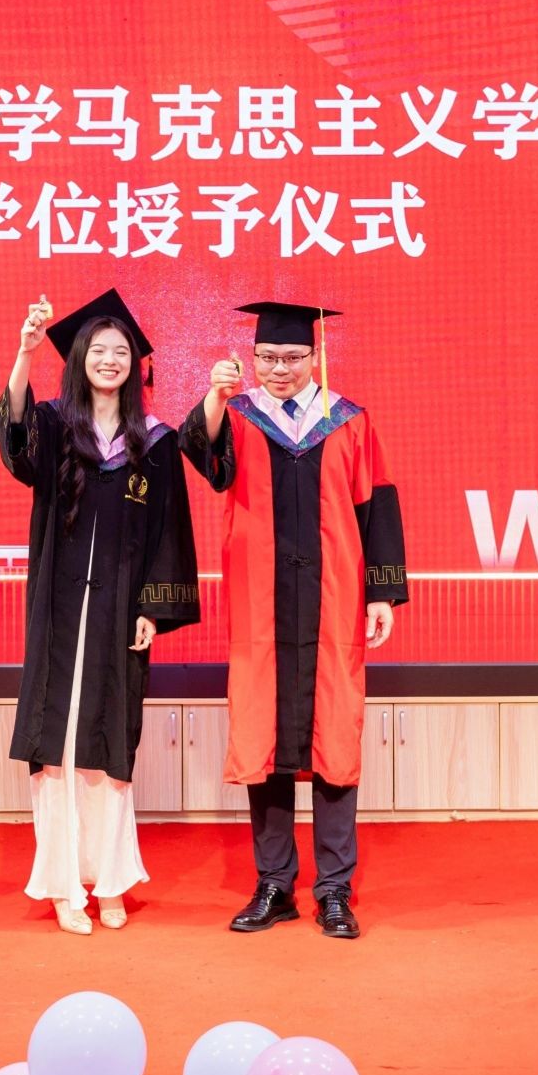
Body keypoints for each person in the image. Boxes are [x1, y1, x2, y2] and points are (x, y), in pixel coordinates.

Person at [181, 301, 408, 939]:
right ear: (253, 359)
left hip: (334, 602)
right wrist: (215, 398)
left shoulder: (348, 421)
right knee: (267, 741)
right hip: (262, 607)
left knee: (335, 740)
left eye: (291, 357)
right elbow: (205, 461)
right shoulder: (239, 417)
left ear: (315, 356)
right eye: (268, 358)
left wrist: (381, 593)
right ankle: (275, 885)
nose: (279, 369)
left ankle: (334, 889)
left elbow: (378, 505)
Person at [0, 287, 200, 935]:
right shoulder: (55, 425)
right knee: (57, 749)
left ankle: (109, 880)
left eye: (122, 352)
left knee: (108, 748)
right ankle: (64, 886)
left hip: (118, 614)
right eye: (99, 350)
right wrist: (25, 354)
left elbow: (170, 531)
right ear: (80, 358)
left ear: (136, 365)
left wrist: (153, 608)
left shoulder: (156, 443)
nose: (110, 360)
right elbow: (16, 439)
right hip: (59, 613)